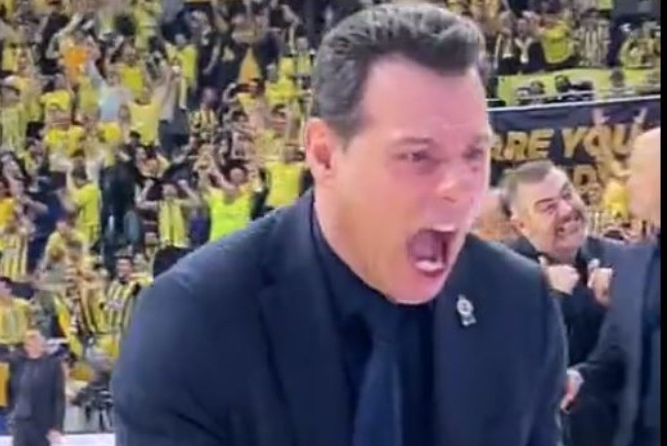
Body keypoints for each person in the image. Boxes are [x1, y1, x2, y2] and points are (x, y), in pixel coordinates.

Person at [112, 4, 565, 446]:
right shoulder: (194, 322)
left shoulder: (520, 306)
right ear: (325, 154)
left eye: (474, 154)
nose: (459, 188)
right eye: (417, 156)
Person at [503, 160, 625, 446]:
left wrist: (623, 301)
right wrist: (547, 296)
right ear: (521, 225)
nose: (567, 210)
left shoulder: (621, 259)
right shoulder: (502, 276)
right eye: (548, 207)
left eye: (568, 195)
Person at [564, 127, 661, 446]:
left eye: (634, 170)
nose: (625, 181)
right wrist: (578, 377)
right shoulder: (631, 263)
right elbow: (615, 353)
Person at [6, 329, 66, 446]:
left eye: (37, 341)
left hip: (42, 423)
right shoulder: (17, 363)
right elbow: (11, 390)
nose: (34, 344)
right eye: (30, 342)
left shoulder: (53, 364)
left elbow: (58, 397)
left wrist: (57, 427)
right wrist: (11, 413)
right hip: (20, 422)